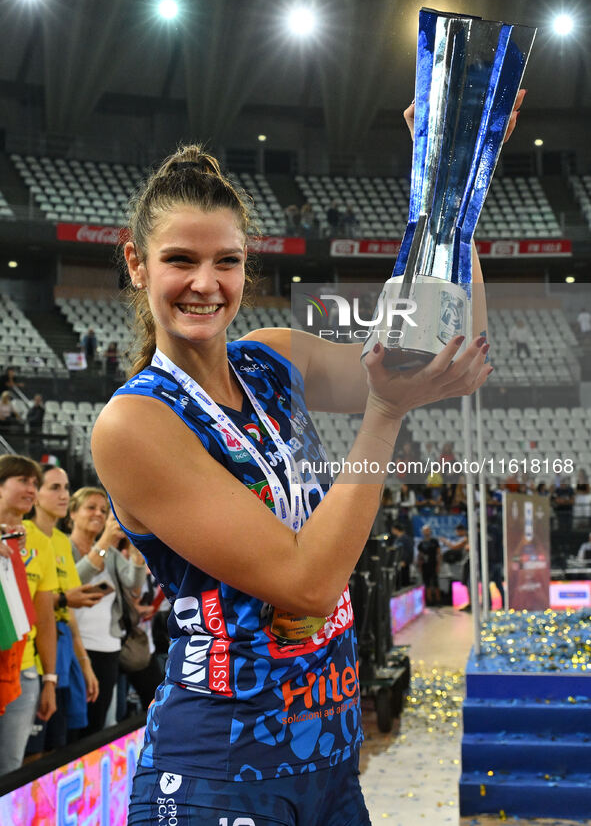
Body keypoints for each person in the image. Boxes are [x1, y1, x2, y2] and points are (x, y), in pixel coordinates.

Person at [89, 142, 491, 824]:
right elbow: (307, 583)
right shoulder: (134, 422)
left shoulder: (273, 358)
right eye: (180, 260)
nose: (205, 283)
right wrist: (384, 413)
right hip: (217, 772)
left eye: (227, 261)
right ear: (136, 263)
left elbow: (440, 352)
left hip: (329, 760)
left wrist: (451, 189)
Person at [23, 465, 101, 755]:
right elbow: (33, 603)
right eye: (54, 487)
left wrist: (85, 664)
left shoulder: (59, 542)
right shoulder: (23, 536)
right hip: (31, 654)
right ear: (35, 493)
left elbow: (67, 611)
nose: (64, 494)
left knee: (58, 746)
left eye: (66, 487)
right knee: (29, 754)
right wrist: (65, 600)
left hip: (61, 649)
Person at [69, 489, 146, 736]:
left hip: (110, 647)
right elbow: (73, 582)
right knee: (74, 725)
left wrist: (136, 549)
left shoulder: (111, 554)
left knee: (99, 723)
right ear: (72, 513)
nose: (99, 514)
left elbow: (134, 584)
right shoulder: (63, 546)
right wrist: (104, 542)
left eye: (103, 510)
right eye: (91, 507)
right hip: (76, 647)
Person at [0, 455, 57, 776]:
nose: (31, 489)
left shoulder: (40, 543)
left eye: (35, 483)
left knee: (9, 771)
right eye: (23, 481)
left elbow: (45, 618)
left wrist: (49, 678)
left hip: (23, 676)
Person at [417, 524, 441, 605]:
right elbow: (420, 555)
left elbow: (439, 553)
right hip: (425, 566)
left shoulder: (434, 541)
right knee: (426, 584)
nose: (426, 532)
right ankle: (429, 601)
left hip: (433, 564)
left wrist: (438, 565)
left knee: (435, 583)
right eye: (424, 530)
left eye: (427, 530)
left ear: (430, 531)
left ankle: (438, 600)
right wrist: (419, 566)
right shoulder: (421, 543)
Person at [391, 522, 414, 588]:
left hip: (403, 563)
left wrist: (405, 561)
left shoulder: (406, 539)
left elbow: (409, 551)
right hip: (397, 563)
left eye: (393, 529)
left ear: (396, 529)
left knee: (404, 581)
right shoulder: (397, 539)